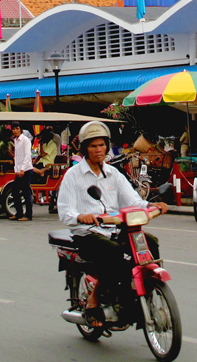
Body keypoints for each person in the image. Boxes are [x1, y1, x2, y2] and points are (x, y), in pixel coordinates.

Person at [57, 121, 168, 327]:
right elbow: (64, 211)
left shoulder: (114, 174)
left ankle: (144, 293)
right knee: (114, 253)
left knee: (149, 243)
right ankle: (93, 302)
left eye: (101, 145)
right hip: (87, 232)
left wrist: (152, 206)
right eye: (93, 146)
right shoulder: (73, 176)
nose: (99, 150)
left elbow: (133, 200)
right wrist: (82, 216)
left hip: (114, 228)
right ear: (84, 149)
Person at [9, 122, 34, 221]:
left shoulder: (25, 140)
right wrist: (17, 169)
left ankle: (28, 215)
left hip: (26, 169)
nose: (15, 131)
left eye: (17, 128)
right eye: (13, 129)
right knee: (15, 191)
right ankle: (19, 213)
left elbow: (27, 155)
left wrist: (22, 169)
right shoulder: (16, 141)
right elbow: (17, 156)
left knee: (25, 191)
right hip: (19, 170)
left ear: (21, 129)